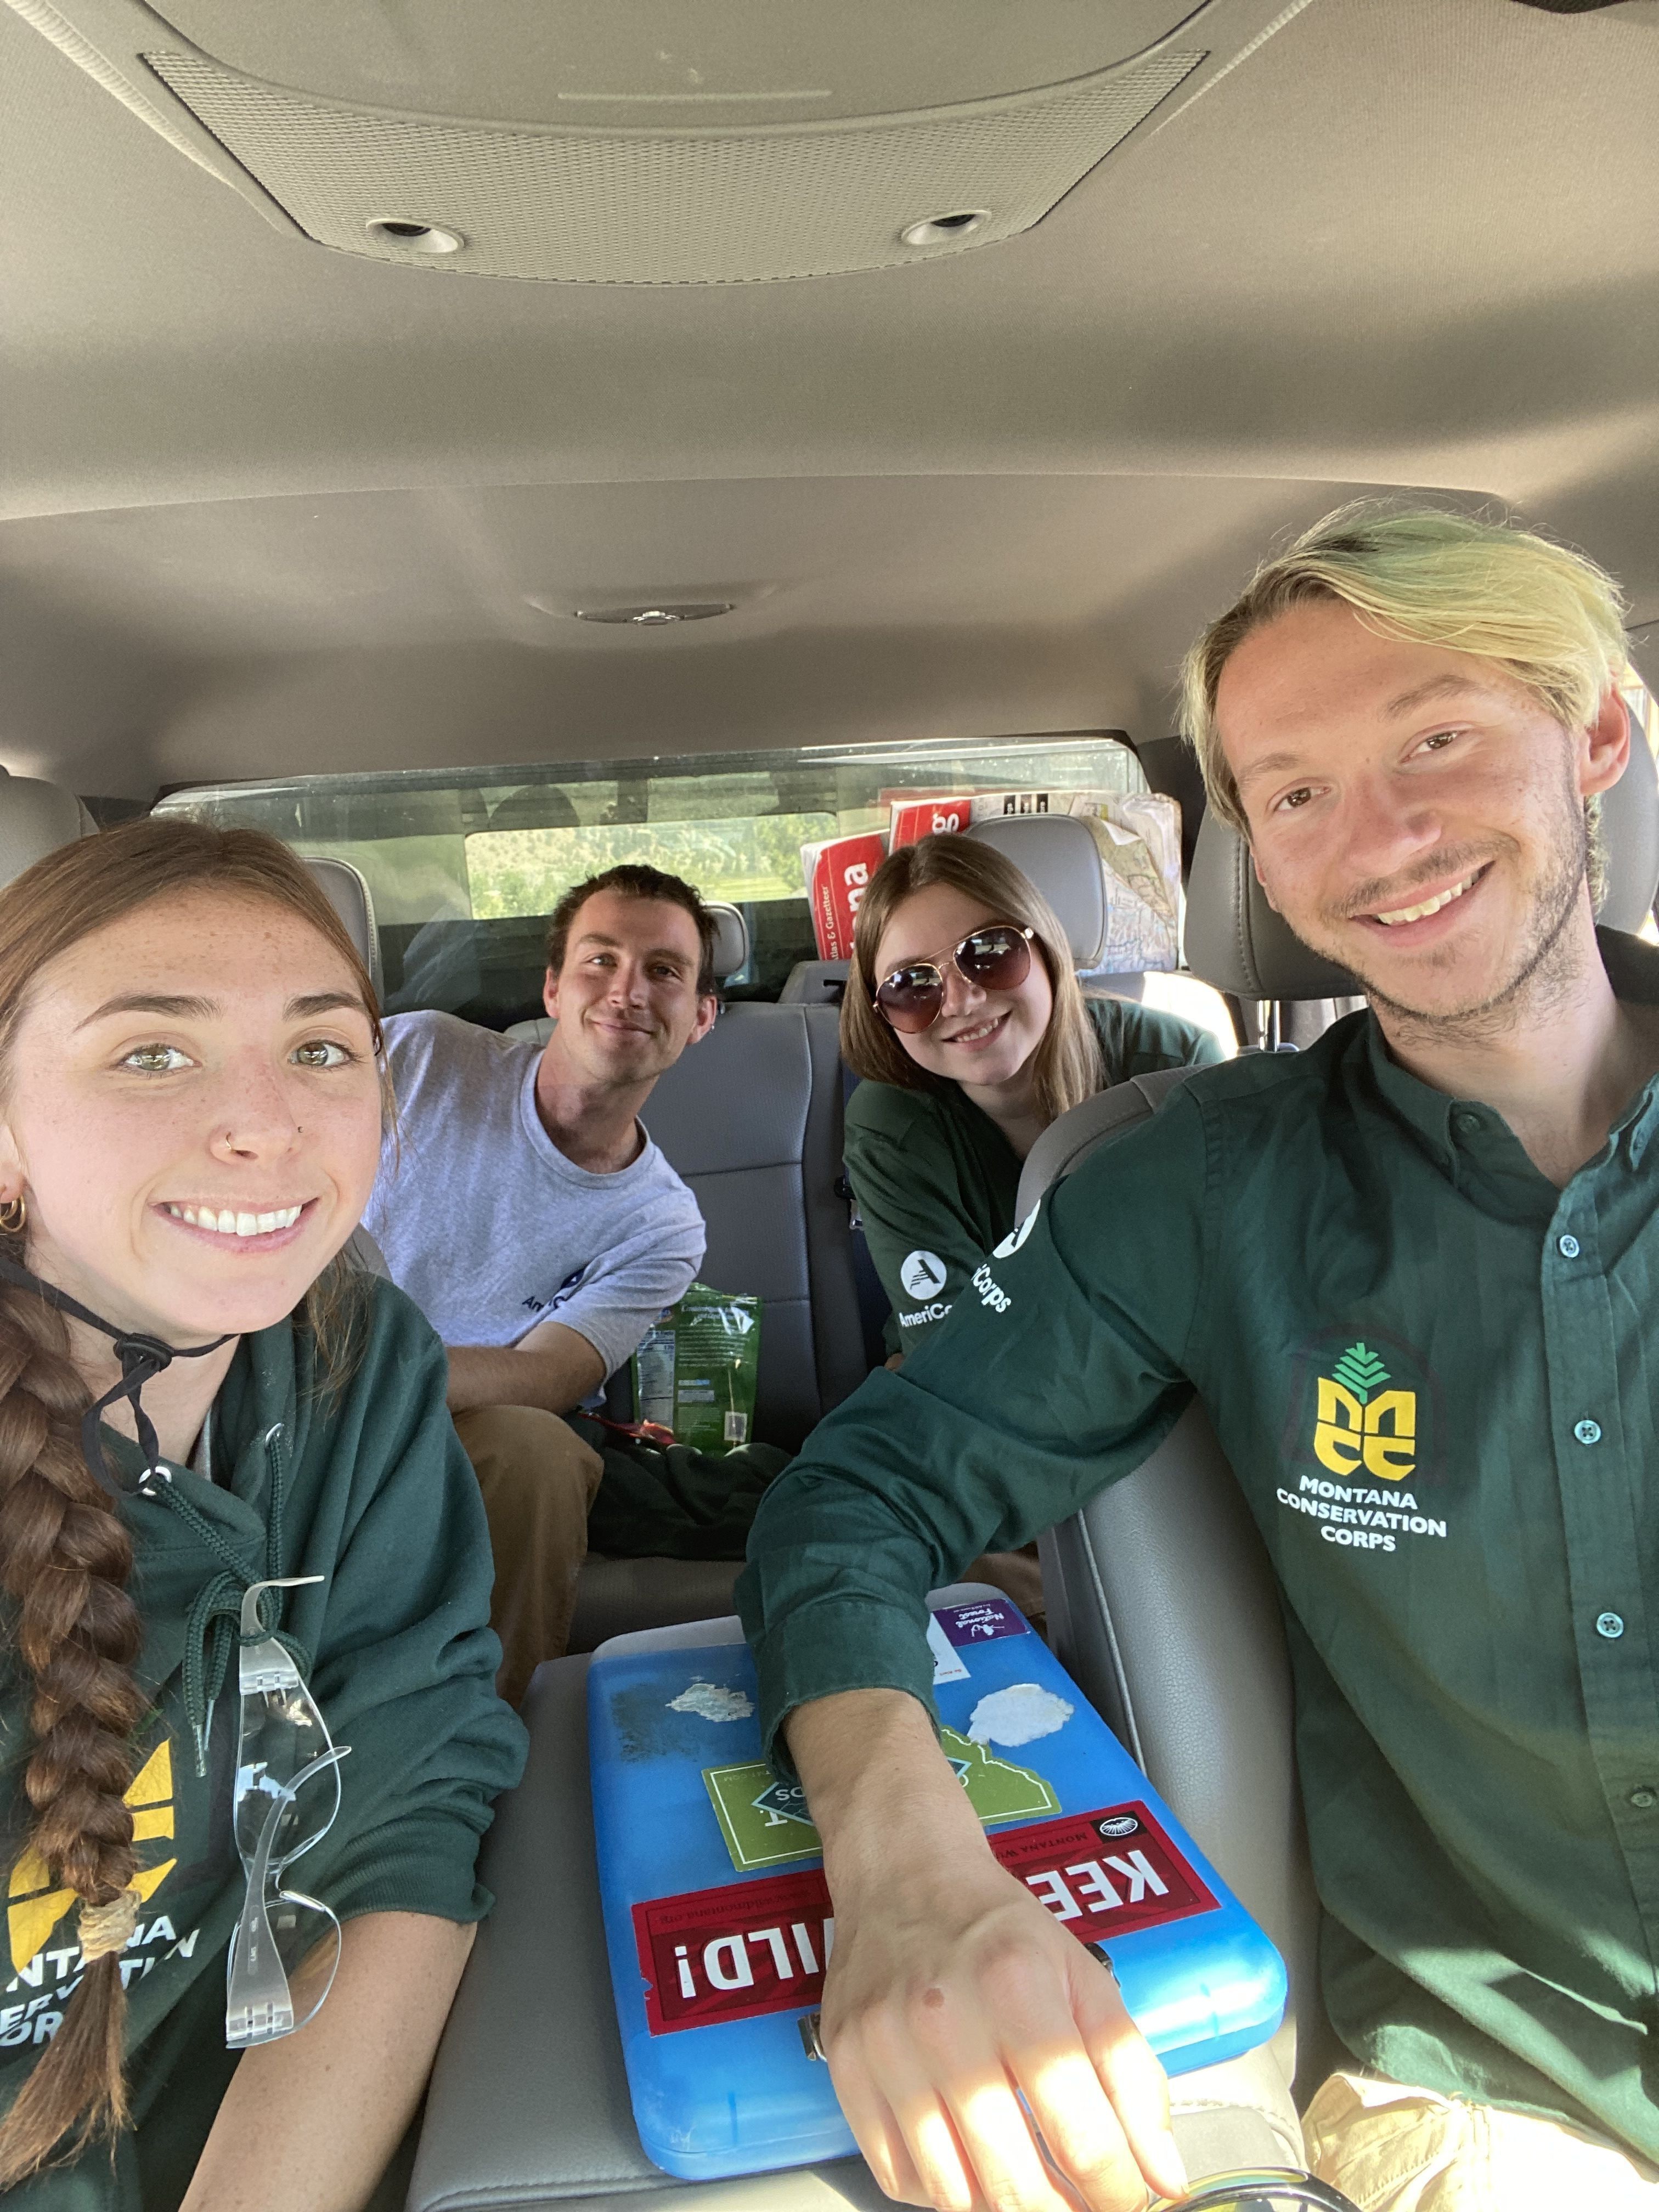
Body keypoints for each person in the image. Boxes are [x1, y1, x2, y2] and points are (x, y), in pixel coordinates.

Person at [737, 504, 1659, 2211]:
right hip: (1508, 2089)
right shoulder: (1188, 1183)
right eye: (1295, 792)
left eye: (1435, 739)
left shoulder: (1151, 1063)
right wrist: (907, 1857)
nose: (1376, 840)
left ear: (1594, 734)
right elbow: (858, 1484)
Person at [0, 817, 524, 2208]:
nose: (267, 1123)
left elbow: (413, 1792)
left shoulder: (360, 1360)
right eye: (152, 1052)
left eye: (319, 1048)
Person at [364, 863, 780, 1705]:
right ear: (553, 989)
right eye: (600, 960)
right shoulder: (414, 1056)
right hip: (282, 1369)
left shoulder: (664, 1225)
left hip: (444, 1419)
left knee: (541, 1449)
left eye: (664, 971)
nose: (628, 989)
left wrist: (377, 1381)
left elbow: (555, 1376)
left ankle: (488, 1733)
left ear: (700, 1017)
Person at [840, 832, 1226, 1355]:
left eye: (989, 951)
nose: (960, 1000)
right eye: (911, 984)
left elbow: (1217, 1301)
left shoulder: (1175, 1068)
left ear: (1044, 946)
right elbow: (957, 1355)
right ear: (881, 1015)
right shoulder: (892, 1124)